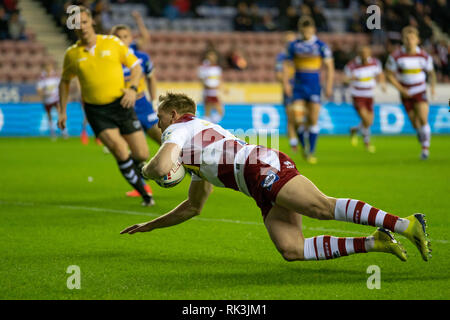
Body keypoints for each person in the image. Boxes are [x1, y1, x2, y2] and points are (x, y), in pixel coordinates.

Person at [120, 92, 431, 264]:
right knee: (292, 249)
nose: (158, 126)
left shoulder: (181, 126)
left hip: (257, 166)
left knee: (320, 207)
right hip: (254, 183)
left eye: (160, 118)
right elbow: (192, 207)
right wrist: (151, 225)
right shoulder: (194, 150)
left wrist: (147, 168)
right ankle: (375, 242)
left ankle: (406, 224)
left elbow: (159, 169)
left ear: (174, 114)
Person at [57, 6, 154, 206]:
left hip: (121, 104)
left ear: (92, 22)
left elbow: (136, 67)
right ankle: (144, 194)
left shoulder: (112, 43)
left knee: (142, 154)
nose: (82, 27)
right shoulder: (72, 54)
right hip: (96, 111)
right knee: (119, 149)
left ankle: (138, 179)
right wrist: (62, 111)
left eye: (84, 22)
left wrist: (132, 88)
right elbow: (64, 81)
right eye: (76, 24)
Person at [111, 23, 161, 198]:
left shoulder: (141, 57)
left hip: (143, 105)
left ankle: (191, 171)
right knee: (138, 152)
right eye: (118, 37)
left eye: (125, 36)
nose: (121, 40)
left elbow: (151, 78)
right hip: (123, 108)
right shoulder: (110, 61)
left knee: (164, 139)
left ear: (131, 39)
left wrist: (154, 101)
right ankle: (140, 185)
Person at [283, 16, 334, 164]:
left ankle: (310, 151)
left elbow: (329, 67)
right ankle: (304, 146)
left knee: (313, 119)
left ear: (313, 30)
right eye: (303, 29)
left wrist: (329, 85)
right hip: (298, 87)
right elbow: (287, 65)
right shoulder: (293, 45)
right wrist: (286, 83)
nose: (306, 32)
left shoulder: (321, 46)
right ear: (300, 30)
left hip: (314, 87)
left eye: (308, 29)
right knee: (298, 120)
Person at [385, 26, 436, 160]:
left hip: (419, 90)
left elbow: (431, 72)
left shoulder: (424, 56)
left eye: (412, 38)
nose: (409, 41)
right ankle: (420, 133)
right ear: (403, 40)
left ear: (417, 40)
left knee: (423, 118)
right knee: (415, 122)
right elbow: (389, 75)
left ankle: (425, 149)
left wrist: (432, 87)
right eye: (407, 38)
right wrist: (401, 90)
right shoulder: (396, 56)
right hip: (405, 92)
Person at [343, 45, 386, 153]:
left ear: (369, 53)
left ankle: (354, 129)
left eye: (366, 53)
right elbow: (344, 80)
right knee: (366, 120)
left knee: (369, 121)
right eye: (362, 53)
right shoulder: (351, 66)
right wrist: (350, 79)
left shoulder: (375, 62)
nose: (364, 55)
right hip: (357, 95)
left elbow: (380, 73)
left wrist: (382, 83)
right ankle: (367, 143)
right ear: (359, 54)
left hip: (369, 95)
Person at [275, 31, 305, 152]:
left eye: (292, 40)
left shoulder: (301, 55)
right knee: (290, 117)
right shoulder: (281, 57)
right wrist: (286, 84)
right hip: (289, 90)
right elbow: (278, 75)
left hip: (301, 89)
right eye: (288, 41)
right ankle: (293, 143)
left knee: (301, 117)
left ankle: (302, 137)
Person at [36, 61, 67, 139]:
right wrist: (44, 94)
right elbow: (39, 89)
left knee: (60, 113)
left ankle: (64, 131)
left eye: (50, 67)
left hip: (56, 99)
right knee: (49, 116)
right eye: (47, 67)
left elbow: (60, 85)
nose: (49, 68)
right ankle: (52, 132)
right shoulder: (42, 77)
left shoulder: (55, 75)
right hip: (47, 100)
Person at [198, 50, 224, 124]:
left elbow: (219, 80)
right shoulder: (204, 68)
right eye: (211, 55)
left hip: (215, 92)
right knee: (209, 111)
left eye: (213, 56)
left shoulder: (217, 68)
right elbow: (202, 80)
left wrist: (222, 88)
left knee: (216, 112)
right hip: (208, 92)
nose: (213, 57)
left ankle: (208, 124)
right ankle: (207, 125)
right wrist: (208, 88)